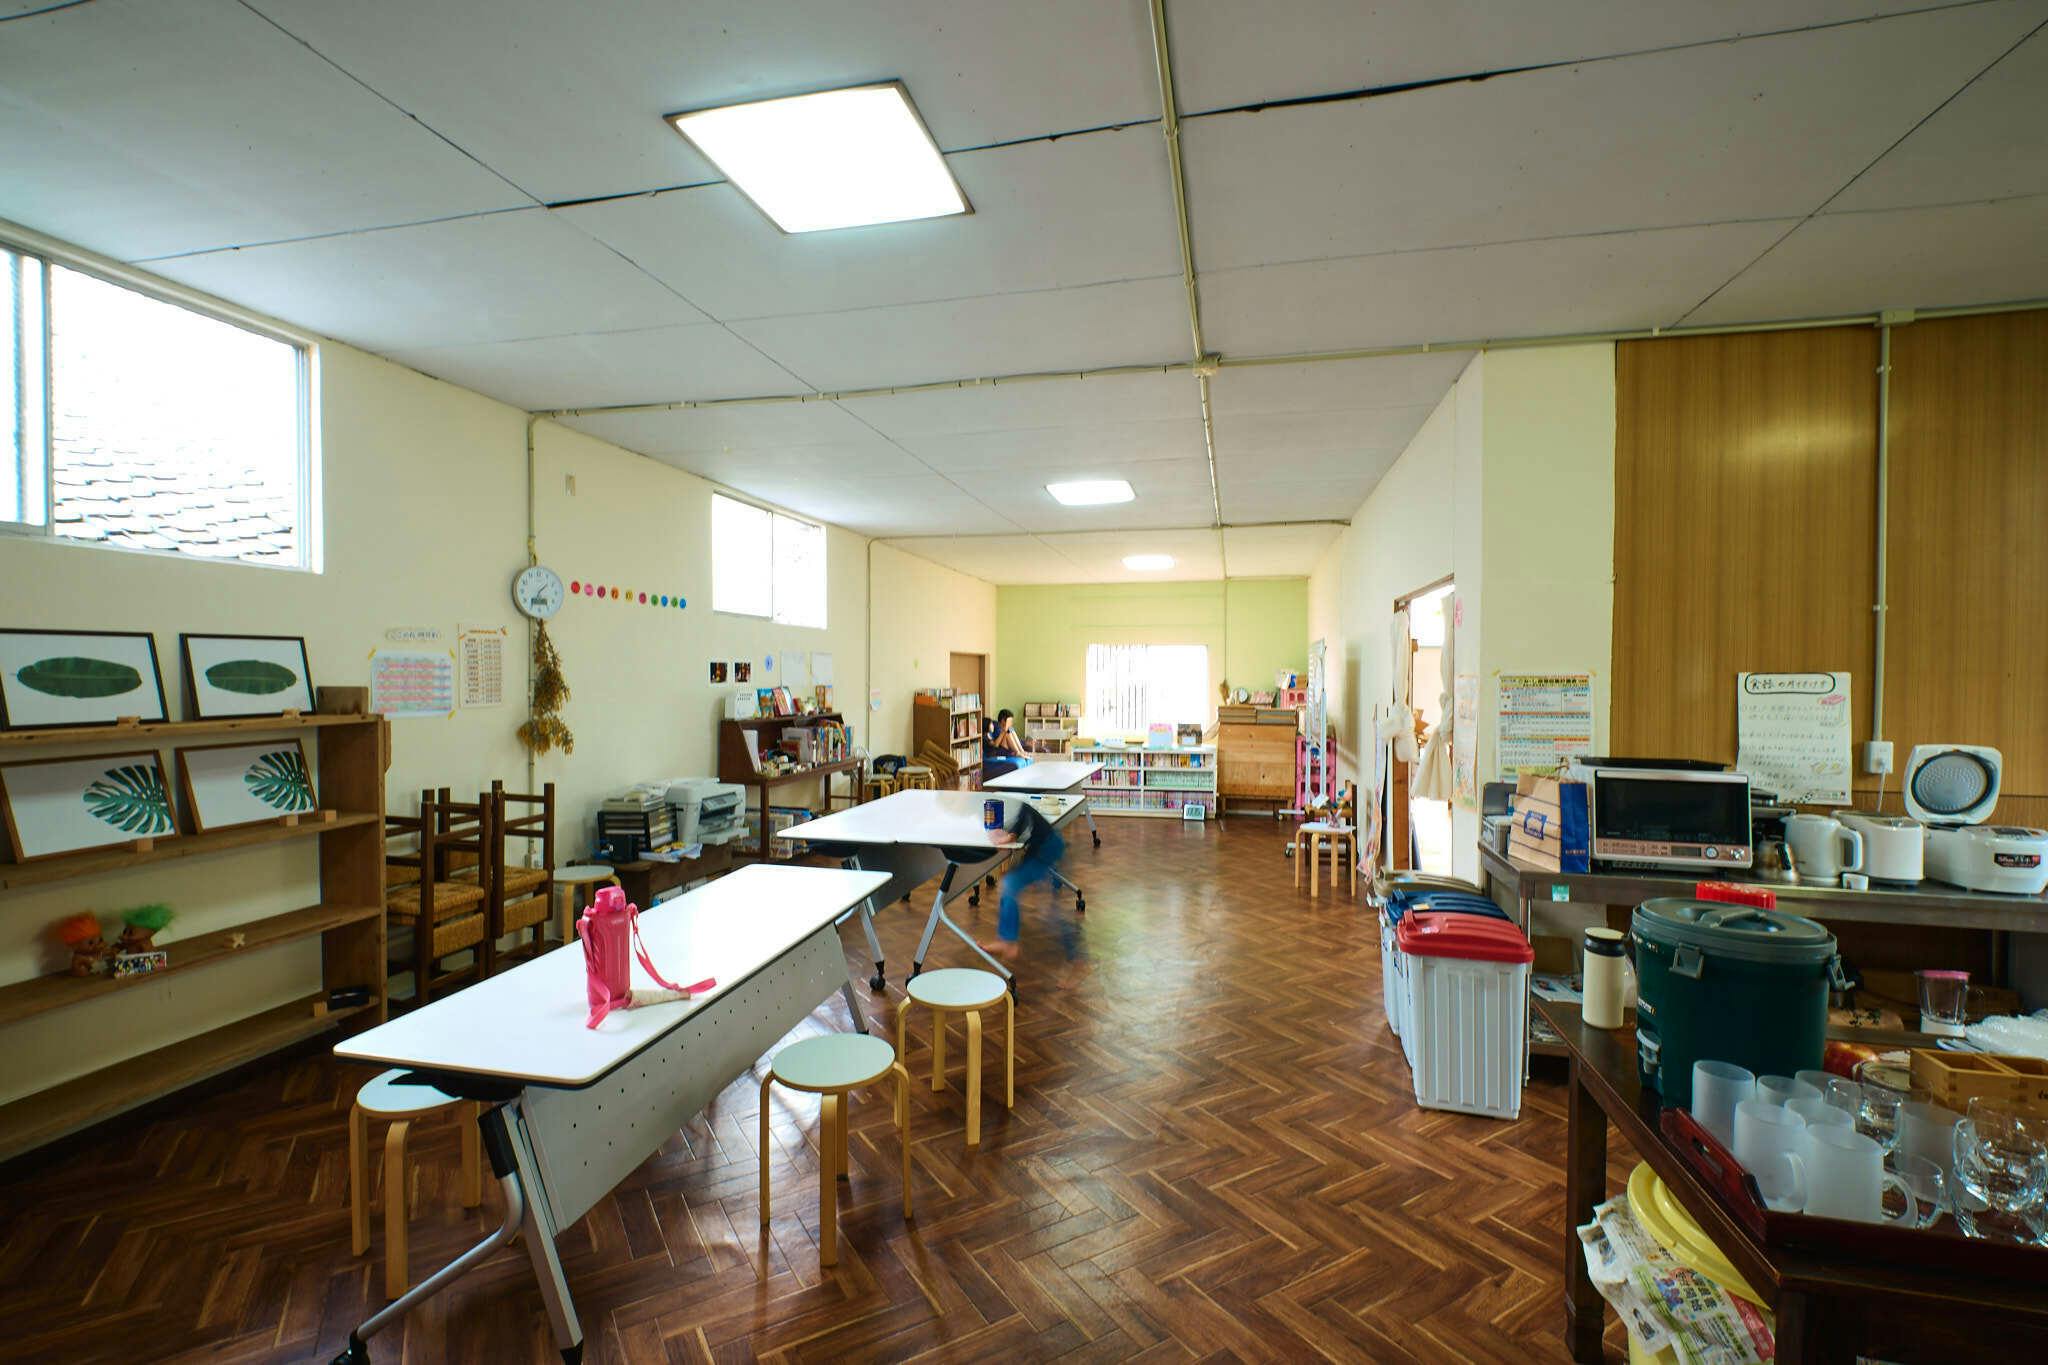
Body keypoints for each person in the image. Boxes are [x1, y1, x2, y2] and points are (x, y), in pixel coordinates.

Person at [980, 802, 1081, 969]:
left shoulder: (1017, 801)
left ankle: (1079, 960)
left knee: (1048, 911)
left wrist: (1010, 836)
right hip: (1047, 845)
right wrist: (1008, 833)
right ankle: (1007, 940)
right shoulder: (1010, 801)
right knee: (1009, 886)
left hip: (1047, 848)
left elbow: (1025, 810)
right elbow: (1022, 814)